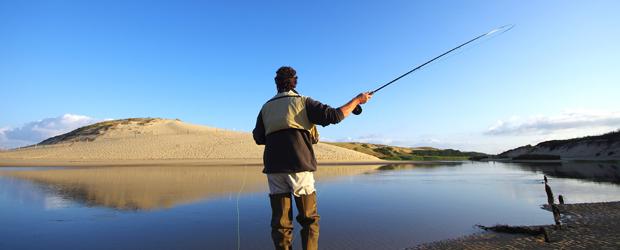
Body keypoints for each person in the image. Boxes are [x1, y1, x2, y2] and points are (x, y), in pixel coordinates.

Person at [252, 66, 372, 250]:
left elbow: (258, 138)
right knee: (309, 219)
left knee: (281, 224)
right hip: (299, 167)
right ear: (294, 82)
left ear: (276, 84)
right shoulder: (303, 102)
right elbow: (335, 116)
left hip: (274, 170)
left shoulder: (266, 107)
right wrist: (357, 100)